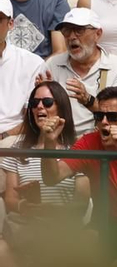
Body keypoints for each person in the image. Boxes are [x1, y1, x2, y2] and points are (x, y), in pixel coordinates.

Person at [46, 85, 117, 254]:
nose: (104, 122)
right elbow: (53, 177)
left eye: (113, 117)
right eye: (99, 116)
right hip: (106, 220)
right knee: (82, 244)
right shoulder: (89, 142)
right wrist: (49, 142)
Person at [2, 79, 85, 229]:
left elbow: (82, 202)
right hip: (27, 228)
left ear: (61, 107)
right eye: (34, 103)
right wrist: (24, 206)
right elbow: (10, 199)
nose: (39, 106)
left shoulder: (76, 149)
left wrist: (52, 212)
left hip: (64, 229)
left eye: (47, 102)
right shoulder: (18, 149)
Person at [42, 5, 117, 136]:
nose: (71, 36)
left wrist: (88, 100)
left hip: (100, 142)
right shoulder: (52, 64)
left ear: (98, 34)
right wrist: (43, 97)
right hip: (60, 139)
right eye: (66, 31)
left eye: (79, 30)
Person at [0, 0, 47, 138]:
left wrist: (3, 136)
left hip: (12, 138)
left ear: (11, 24)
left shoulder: (32, 63)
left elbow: (33, 120)